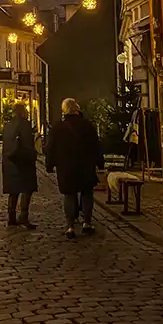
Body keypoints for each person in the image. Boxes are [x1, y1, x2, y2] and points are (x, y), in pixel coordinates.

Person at [45, 97, 104, 239]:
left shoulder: (58, 127)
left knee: (69, 195)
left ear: (64, 110)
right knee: (87, 193)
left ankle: (70, 226)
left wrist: (49, 164)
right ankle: (87, 223)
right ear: (77, 109)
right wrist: (100, 163)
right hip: (85, 166)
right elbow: (96, 146)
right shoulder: (86, 125)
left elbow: (50, 148)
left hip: (66, 167)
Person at [2, 103, 38, 229]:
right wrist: (33, 155)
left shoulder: (7, 126)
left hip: (9, 161)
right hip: (23, 162)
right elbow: (27, 144)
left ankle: (11, 217)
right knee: (27, 189)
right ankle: (23, 216)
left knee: (14, 190)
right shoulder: (24, 125)